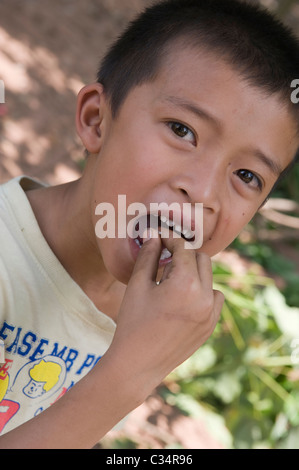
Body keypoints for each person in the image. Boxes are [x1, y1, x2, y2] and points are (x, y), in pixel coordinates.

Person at [0, 0, 298, 448]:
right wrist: (130, 374)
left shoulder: (157, 315)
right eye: (182, 130)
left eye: (247, 176)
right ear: (96, 120)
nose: (202, 192)